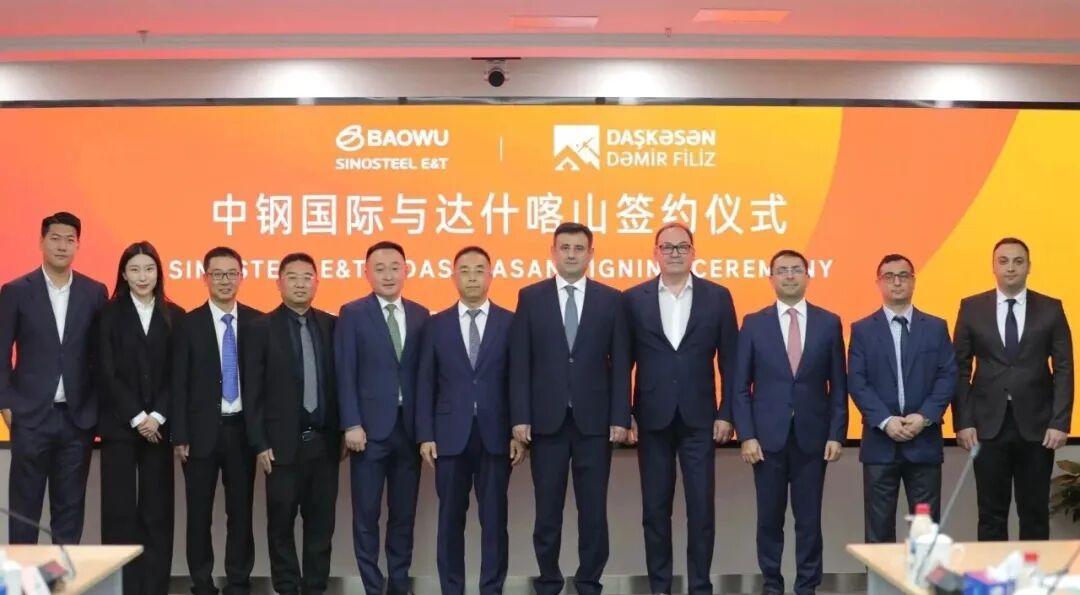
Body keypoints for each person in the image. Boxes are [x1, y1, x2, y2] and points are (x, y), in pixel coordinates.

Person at [509, 222, 632, 595]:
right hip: (546, 423)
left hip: (594, 424)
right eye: (565, 248)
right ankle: (548, 581)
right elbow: (520, 362)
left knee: (593, 512)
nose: (572, 254)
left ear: (591, 254)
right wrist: (520, 416)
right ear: (553, 252)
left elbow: (621, 363)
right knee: (547, 513)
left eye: (579, 248)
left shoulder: (611, 299)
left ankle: (589, 581)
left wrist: (620, 415)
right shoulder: (531, 297)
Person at [623, 222, 738, 595]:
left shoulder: (717, 297)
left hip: (700, 419)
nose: (674, 253)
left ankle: (700, 586)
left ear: (693, 252)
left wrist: (727, 412)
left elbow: (731, 363)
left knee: (701, 509)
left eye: (682, 246)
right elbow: (622, 362)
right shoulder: (633, 299)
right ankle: (660, 587)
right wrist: (623, 413)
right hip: (650, 418)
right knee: (655, 510)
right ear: (655, 253)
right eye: (667, 247)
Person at [731, 249, 847, 595]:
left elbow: (838, 385)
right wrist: (747, 435)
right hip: (766, 441)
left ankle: (807, 586)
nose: (790, 276)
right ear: (771, 279)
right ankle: (772, 585)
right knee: (769, 520)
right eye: (782, 270)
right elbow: (740, 386)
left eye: (797, 270)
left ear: (808, 276)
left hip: (813, 437)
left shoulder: (829, 322)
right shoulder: (754, 323)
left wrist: (837, 433)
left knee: (809, 521)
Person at [416, 245, 527, 595]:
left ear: (491, 276)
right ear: (453, 277)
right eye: (465, 271)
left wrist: (518, 430)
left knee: (494, 522)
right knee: (450, 521)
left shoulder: (511, 323)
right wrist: (425, 434)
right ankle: (452, 589)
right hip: (449, 437)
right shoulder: (435, 325)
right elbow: (426, 382)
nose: (473, 277)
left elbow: (518, 380)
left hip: (496, 436)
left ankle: (491, 588)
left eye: (480, 270)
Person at [953, 237, 1073, 541]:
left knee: (1034, 513)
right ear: (993, 266)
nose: (1010, 268)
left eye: (1018, 261)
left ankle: (1033, 571)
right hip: (986, 426)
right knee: (990, 514)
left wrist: (1060, 422)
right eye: (1003, 261)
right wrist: (963, 421)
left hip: (1037, 427)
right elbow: (960, 368)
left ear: (1029, 267)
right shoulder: (971, 308)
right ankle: (994, 574)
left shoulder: (1051, 308)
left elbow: (1064, 369)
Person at [0, 211, 108, 544]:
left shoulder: (95, 292)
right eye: (55, 238)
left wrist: (95, 407)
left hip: (77, 419)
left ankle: (61, 575)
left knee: (69, 511)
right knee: (24, 509)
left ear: (78, 245)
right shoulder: (15, 290)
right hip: (30, 416)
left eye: (69, 240)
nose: (62, 246)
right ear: (41, 241)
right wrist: (6, 403)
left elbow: (101, 355)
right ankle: (24, 575)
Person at [335, 241, 430, 595]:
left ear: (406, 270)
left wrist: (426, 430)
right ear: (366, 273)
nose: (388, 275)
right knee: (367, 516)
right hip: (369, 432)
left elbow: (425, 375)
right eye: (379, 268)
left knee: (404, 515)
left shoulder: (421, 314)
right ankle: (372, 586)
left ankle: (399, 584)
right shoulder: (352, 313)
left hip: (409, 430)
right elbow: (345, 371)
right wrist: (351, 423)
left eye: (394, 267)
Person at [246, 252, 342, 595]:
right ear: (279, 282)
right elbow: (252, 391)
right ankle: (287, 587)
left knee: (321, 526)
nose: (300, 284)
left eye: (307, 277)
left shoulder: (332, 325)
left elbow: (341, 383)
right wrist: (259, 442)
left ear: (317, 282)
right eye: (293, 277)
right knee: (281, 525)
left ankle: (315, 587)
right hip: (280, 446)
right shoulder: (261, 328)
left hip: (324, 444)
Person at [847, 254, 956, 544]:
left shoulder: (935, 327)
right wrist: (885, 421)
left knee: (926, 533)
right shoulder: (862, 330)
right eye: (889, 276)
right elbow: (857, 382)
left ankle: (923, 576)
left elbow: (947, 376)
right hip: (880, 443)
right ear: (878, 283)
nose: (897, 282)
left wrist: (925, 416)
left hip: (924, 441)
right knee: (878, 531)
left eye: (903, 275)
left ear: (913, 281)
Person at [172, 246, 261, 595]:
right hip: (199, 434)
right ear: (205, 278)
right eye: (218, 274)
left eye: (231, 274)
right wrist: (180, 435)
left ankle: (238, 581)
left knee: (240, 513)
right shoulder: (187, 323)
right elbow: (178, 383)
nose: (225, 281)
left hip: (241, 432)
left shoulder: (257, 322)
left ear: (241, 276)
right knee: (199, 515)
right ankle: (202, 583)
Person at [97, 241, 185, 594]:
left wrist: (158, 416)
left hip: (159, 429)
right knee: (118, 512)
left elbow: (178, 373)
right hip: (120, 426)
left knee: (157, 511)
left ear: (159, 273)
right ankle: (122, 586)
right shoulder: (107, 314)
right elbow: (105, 371)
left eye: (149, 269)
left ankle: (154, 586)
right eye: (134, 270)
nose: (143, 276)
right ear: (123, 274)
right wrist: (136, 416)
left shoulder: (174, 314)